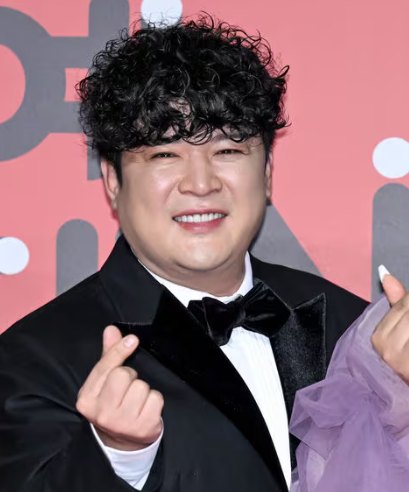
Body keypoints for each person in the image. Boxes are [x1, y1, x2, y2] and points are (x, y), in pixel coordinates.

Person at [1, 15, 407, 492]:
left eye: (228, 151)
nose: (200, 183)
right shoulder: (33, 359)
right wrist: (117, 457)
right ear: (113, 180)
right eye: (165, 154)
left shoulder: (351, 326)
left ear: (267, 171)